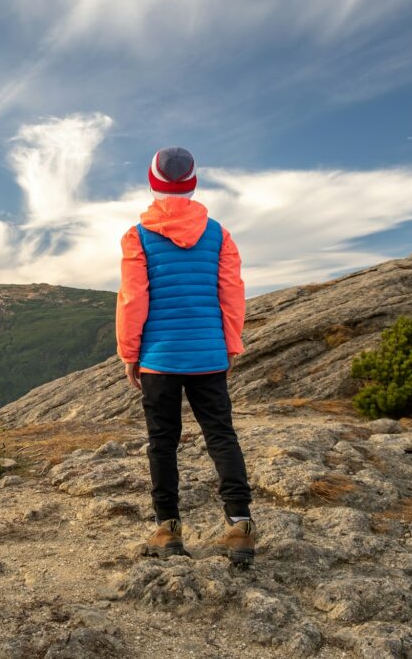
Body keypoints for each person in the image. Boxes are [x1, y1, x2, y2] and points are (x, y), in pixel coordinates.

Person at [116, 146, 255, 566]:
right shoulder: (218, 234)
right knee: (221, 435)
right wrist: (230, 344)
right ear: (192, 183)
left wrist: (129, 352)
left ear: (152, 182)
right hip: (209, 355)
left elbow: (133, 299)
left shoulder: (137, 236)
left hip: (159, 357)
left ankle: (168, 528)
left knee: (163, 441)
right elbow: (232, 294)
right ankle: (240, 524)